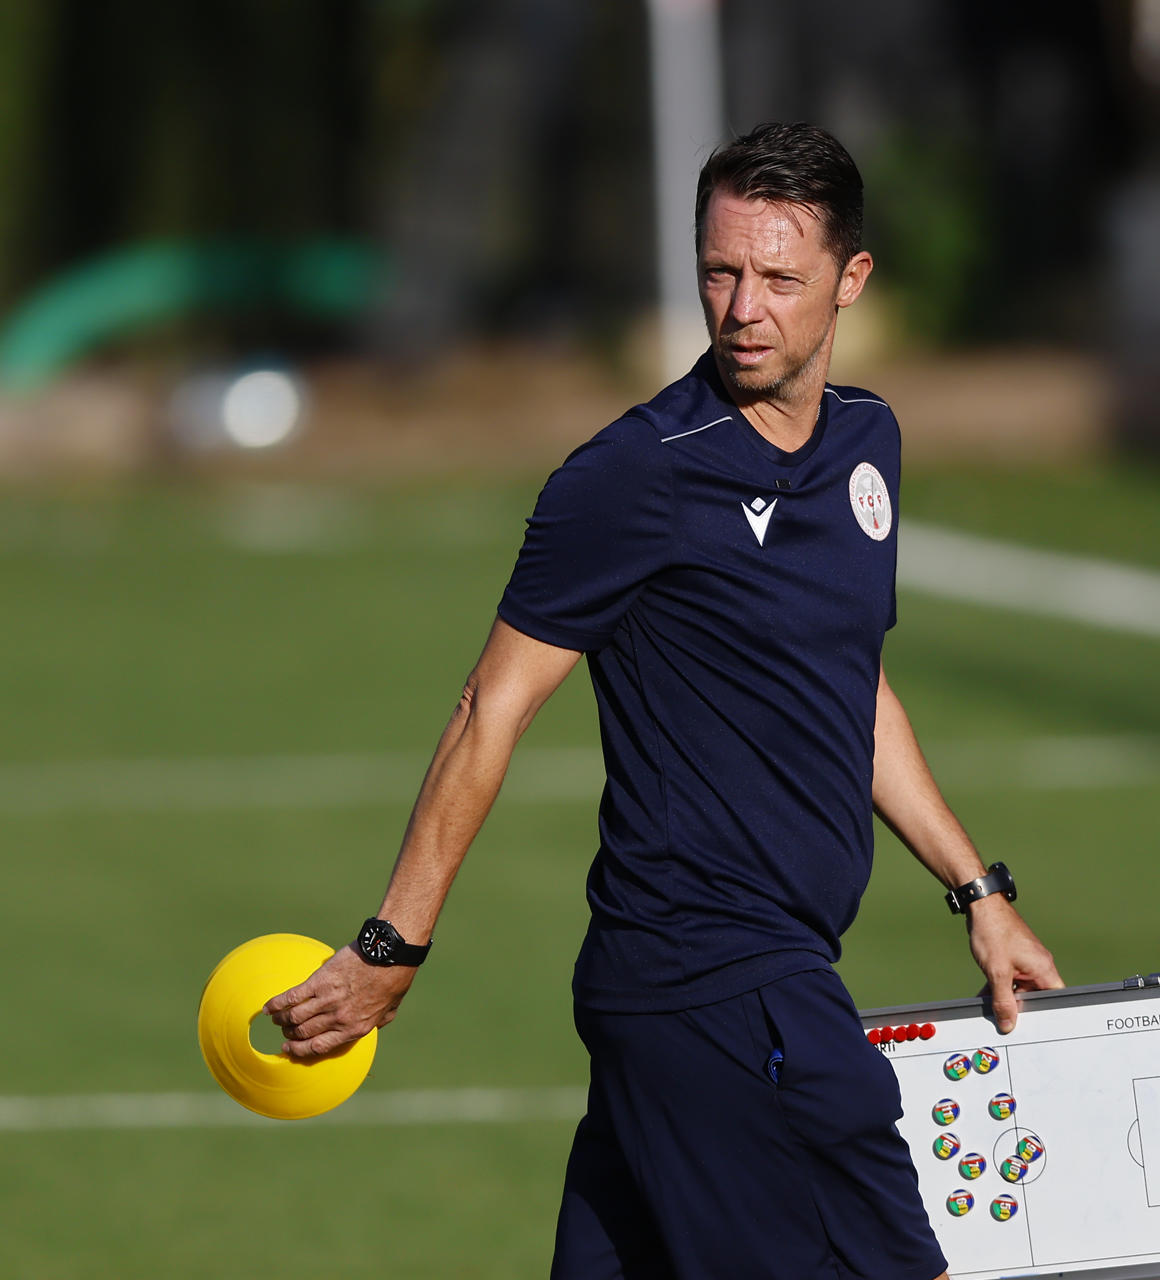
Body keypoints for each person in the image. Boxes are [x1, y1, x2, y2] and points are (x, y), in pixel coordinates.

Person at [265, 121, 1063, 1280]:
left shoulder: (869, 446)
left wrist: (977, 887)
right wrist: (395, 941)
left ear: (851, 281)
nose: (744, 306)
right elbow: (491, 705)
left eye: (781, 278)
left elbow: (850, 684)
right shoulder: (633, 476)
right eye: (720, 271)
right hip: (717, 986)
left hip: (716, 995)